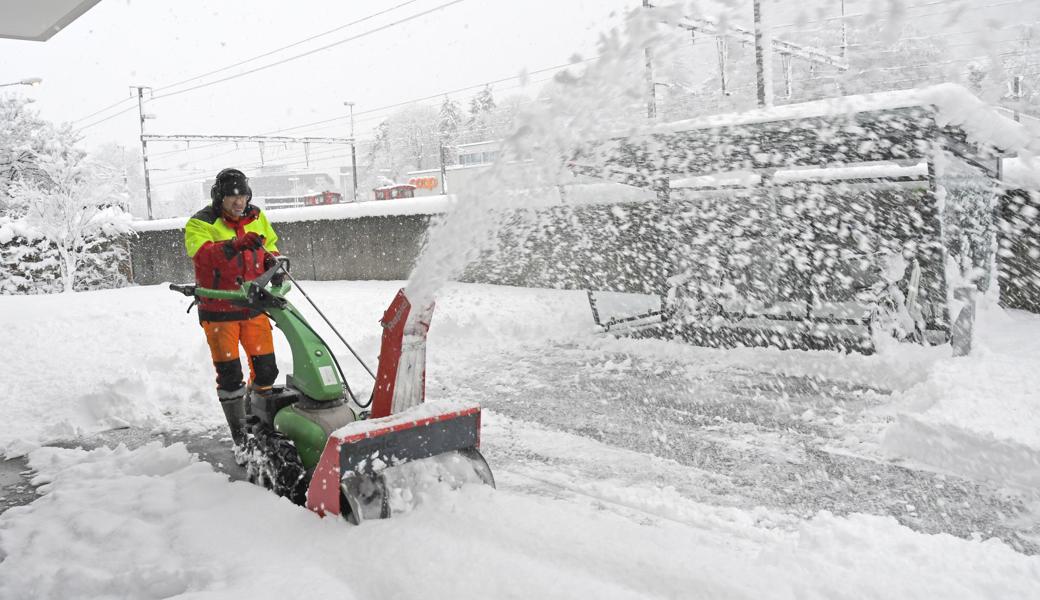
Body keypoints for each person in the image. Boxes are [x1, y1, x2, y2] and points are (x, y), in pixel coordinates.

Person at [184, 168, 281, 445]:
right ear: (219, 198)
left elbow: (269, 245)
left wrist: (272, 264)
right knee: (230, 376)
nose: (239, 202)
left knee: (266, 370)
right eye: (232, 197)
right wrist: (234, 244)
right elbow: (203, 256)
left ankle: (255, 420)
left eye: (244, 196)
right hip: (219, 311)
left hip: (252, 306)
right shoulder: (201, 223)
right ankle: (241, 437)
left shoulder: (257, 217)